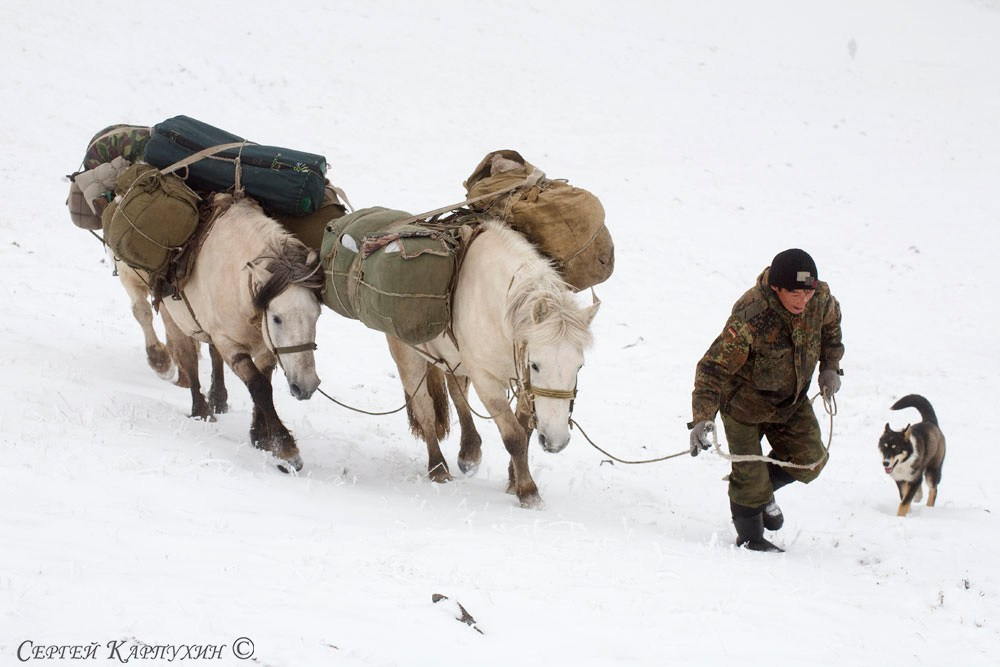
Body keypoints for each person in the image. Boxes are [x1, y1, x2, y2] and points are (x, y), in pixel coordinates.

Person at [688, 248, 844, 552]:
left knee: (811, 461)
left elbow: (831, 328)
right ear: (776, 287)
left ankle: (761, 490)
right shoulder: (751, 315)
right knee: (748, 479)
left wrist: (830, 366)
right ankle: (751, 540)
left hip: (791, 401)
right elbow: (712, 367)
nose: (803, 301)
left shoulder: (820, 298)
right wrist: (702, 417)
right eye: (795, 294)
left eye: (807, 293)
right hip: (744, 406)